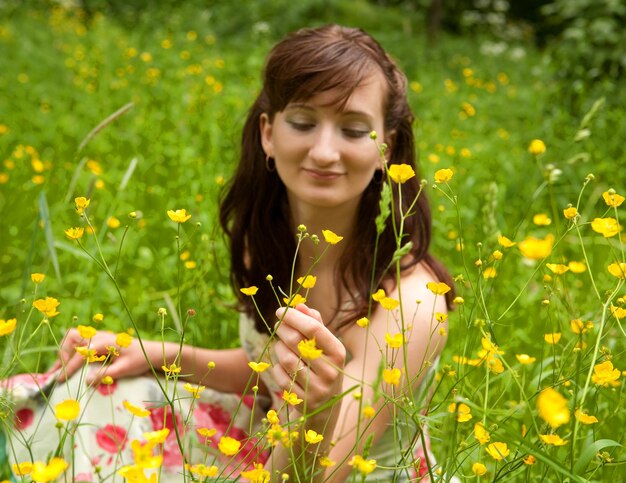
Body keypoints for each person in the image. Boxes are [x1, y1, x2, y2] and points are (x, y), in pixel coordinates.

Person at [4, 24, 454, 481]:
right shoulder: (273, 242)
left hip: (322, 470)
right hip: (273, 437)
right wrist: (155, 352)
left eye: (353, 130)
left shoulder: (413, 305)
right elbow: (268, 372)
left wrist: (316, 410)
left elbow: (319, 471)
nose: (323, 151)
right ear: (268, 134)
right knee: (88, 388)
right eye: (302, 122)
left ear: (387, 149)